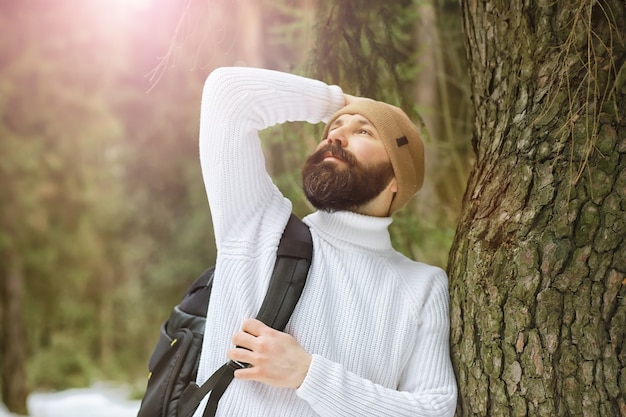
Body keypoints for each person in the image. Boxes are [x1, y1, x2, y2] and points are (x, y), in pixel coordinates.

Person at [193, 66, 457, 417]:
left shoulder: (422, 286)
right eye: (332, 129)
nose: (336, 136)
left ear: (397, 178)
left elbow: (434, 409)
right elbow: (229, 93)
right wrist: (344, 103)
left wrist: (308, 375)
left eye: (363, 131)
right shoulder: (258, 226)